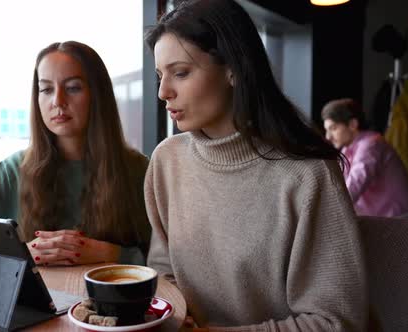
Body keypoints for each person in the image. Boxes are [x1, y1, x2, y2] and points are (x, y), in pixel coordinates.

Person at [144, 0, 366, 331]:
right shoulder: (167, 160)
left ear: (233, 68)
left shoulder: (308, 174)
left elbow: (336, 322)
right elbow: (163, 272)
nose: (163, 92)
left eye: (181, 73)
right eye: (160, 75)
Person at [0, 41, 151, 266]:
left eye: (73, 88)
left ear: (97, 94)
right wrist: (18, 256)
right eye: (46, 89)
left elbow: (171, 260)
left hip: (116, 303)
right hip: (36, 304)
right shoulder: (14, 170)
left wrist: (113, 254)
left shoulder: (139, 170)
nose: (58, 101)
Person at [322, 98, 408, 217]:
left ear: (352, 124)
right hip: (384, 221)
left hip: (403, 222)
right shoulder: (347, 149)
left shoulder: (371, 145)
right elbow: (339, 187)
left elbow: (352, 188)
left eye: (333, 128)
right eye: (326, 130)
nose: (328, 137)